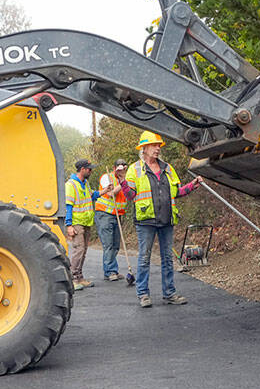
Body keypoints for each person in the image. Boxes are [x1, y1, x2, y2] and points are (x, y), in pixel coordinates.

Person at [117, 132, 202, 308]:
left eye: (159, 145)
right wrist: (123, 180)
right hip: (146, 221)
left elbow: (177, 192)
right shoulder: (135, 169)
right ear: (144, 148)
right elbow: (130, 195)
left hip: (166, 220)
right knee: (144, 258)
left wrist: (192, 185)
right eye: (154, 145)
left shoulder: (167, 168)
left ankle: (169, 293)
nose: (158, 148)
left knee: (167, 259)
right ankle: (143, 294)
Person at [93, 159, 129, 282]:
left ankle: (113, 269)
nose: (122, 170)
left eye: (124, 168)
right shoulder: (106, 177)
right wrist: (122, 184)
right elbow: (110, 194)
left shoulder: (125, 179)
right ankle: (109, 271)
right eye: (119, 168)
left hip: (117, 215)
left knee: (115, 245)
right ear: (114, 168)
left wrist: (124, 182)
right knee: (108, 245)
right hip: (105, 215)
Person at [64, 158, 97, 291]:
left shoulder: (85, 183)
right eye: (89, 169)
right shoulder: (71, 185)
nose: (91, 171)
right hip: (77, 223)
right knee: (78, 250)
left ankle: (79, 277)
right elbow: (68, 206)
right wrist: (69, 225)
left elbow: (92, 196)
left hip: (86, 222)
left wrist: (105, 191)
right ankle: (73, 279)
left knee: (83, 251)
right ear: (82, 169)